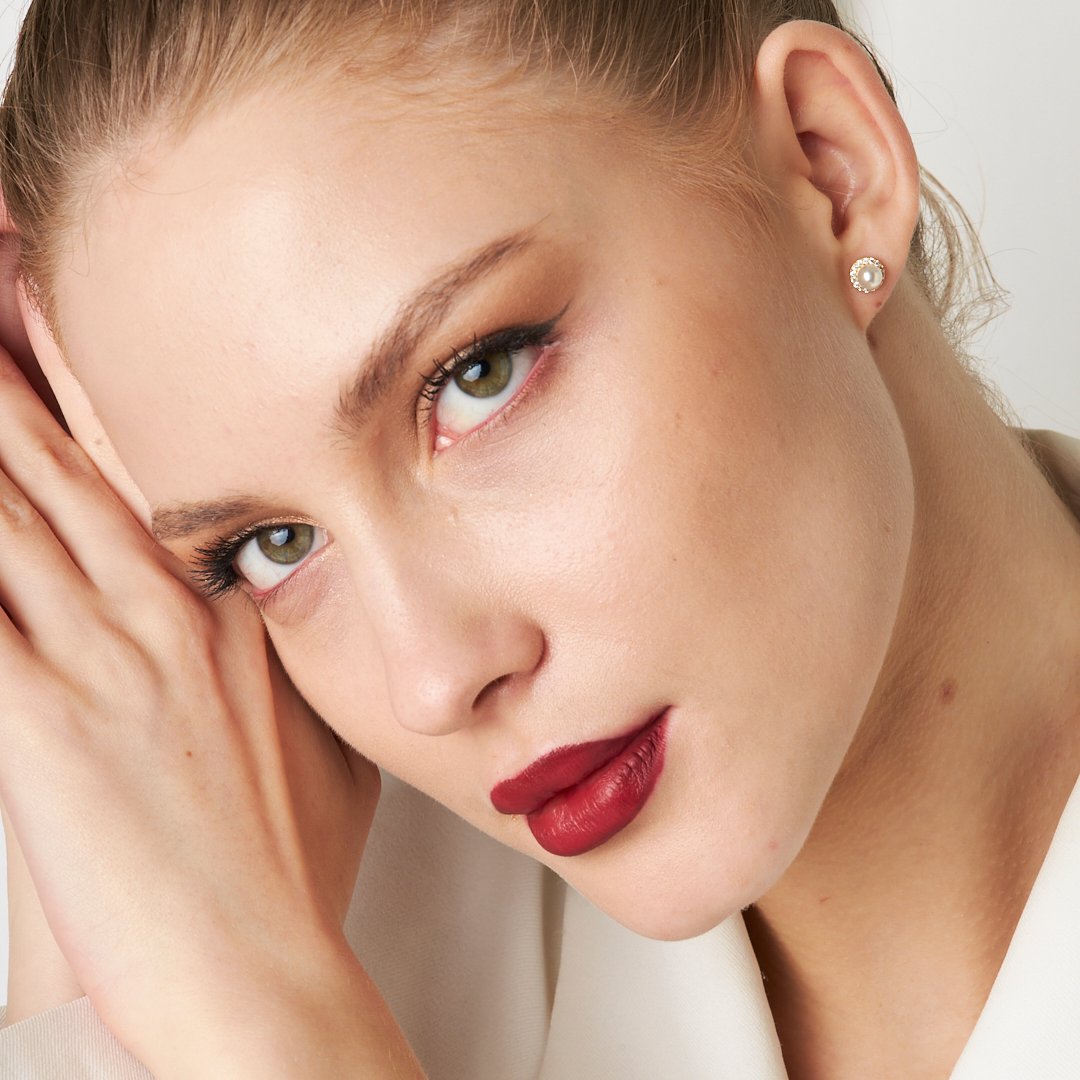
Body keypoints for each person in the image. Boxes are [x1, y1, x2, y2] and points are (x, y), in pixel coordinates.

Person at [0, 0, 1078, 1076]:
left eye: (477, 378)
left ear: (830, 168)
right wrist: (96, 951)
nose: (430, 681)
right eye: (273, 545)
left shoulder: (275, 1007)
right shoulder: (256, 942)